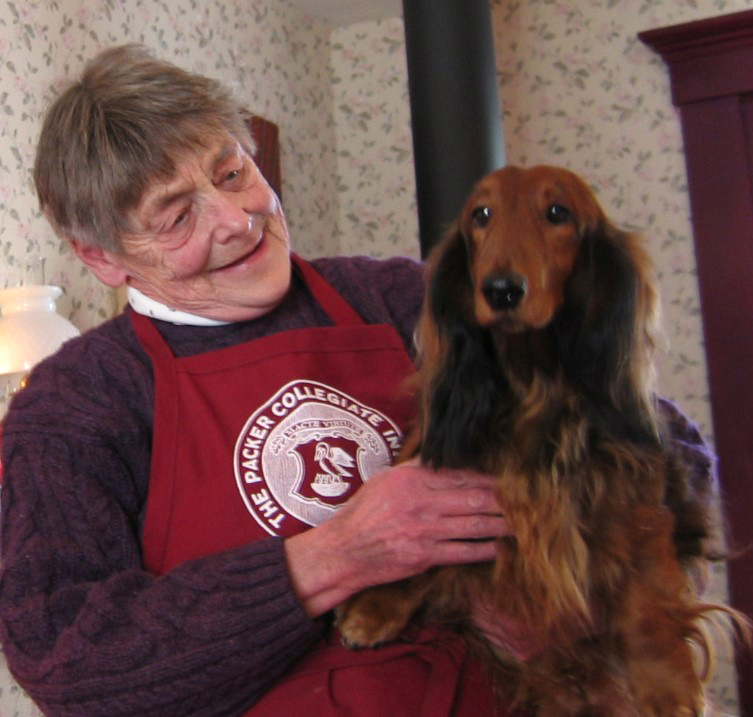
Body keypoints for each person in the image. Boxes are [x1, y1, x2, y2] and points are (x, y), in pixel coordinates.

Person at [0, 45, 714, 717]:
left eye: (230, 173)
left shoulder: (400, 298)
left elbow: (671, 448)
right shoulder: (75, 404)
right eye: (177, 215)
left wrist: (576, 591)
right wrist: (334, 556)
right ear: (102, 257)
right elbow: (68, 659)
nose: (237, 220)